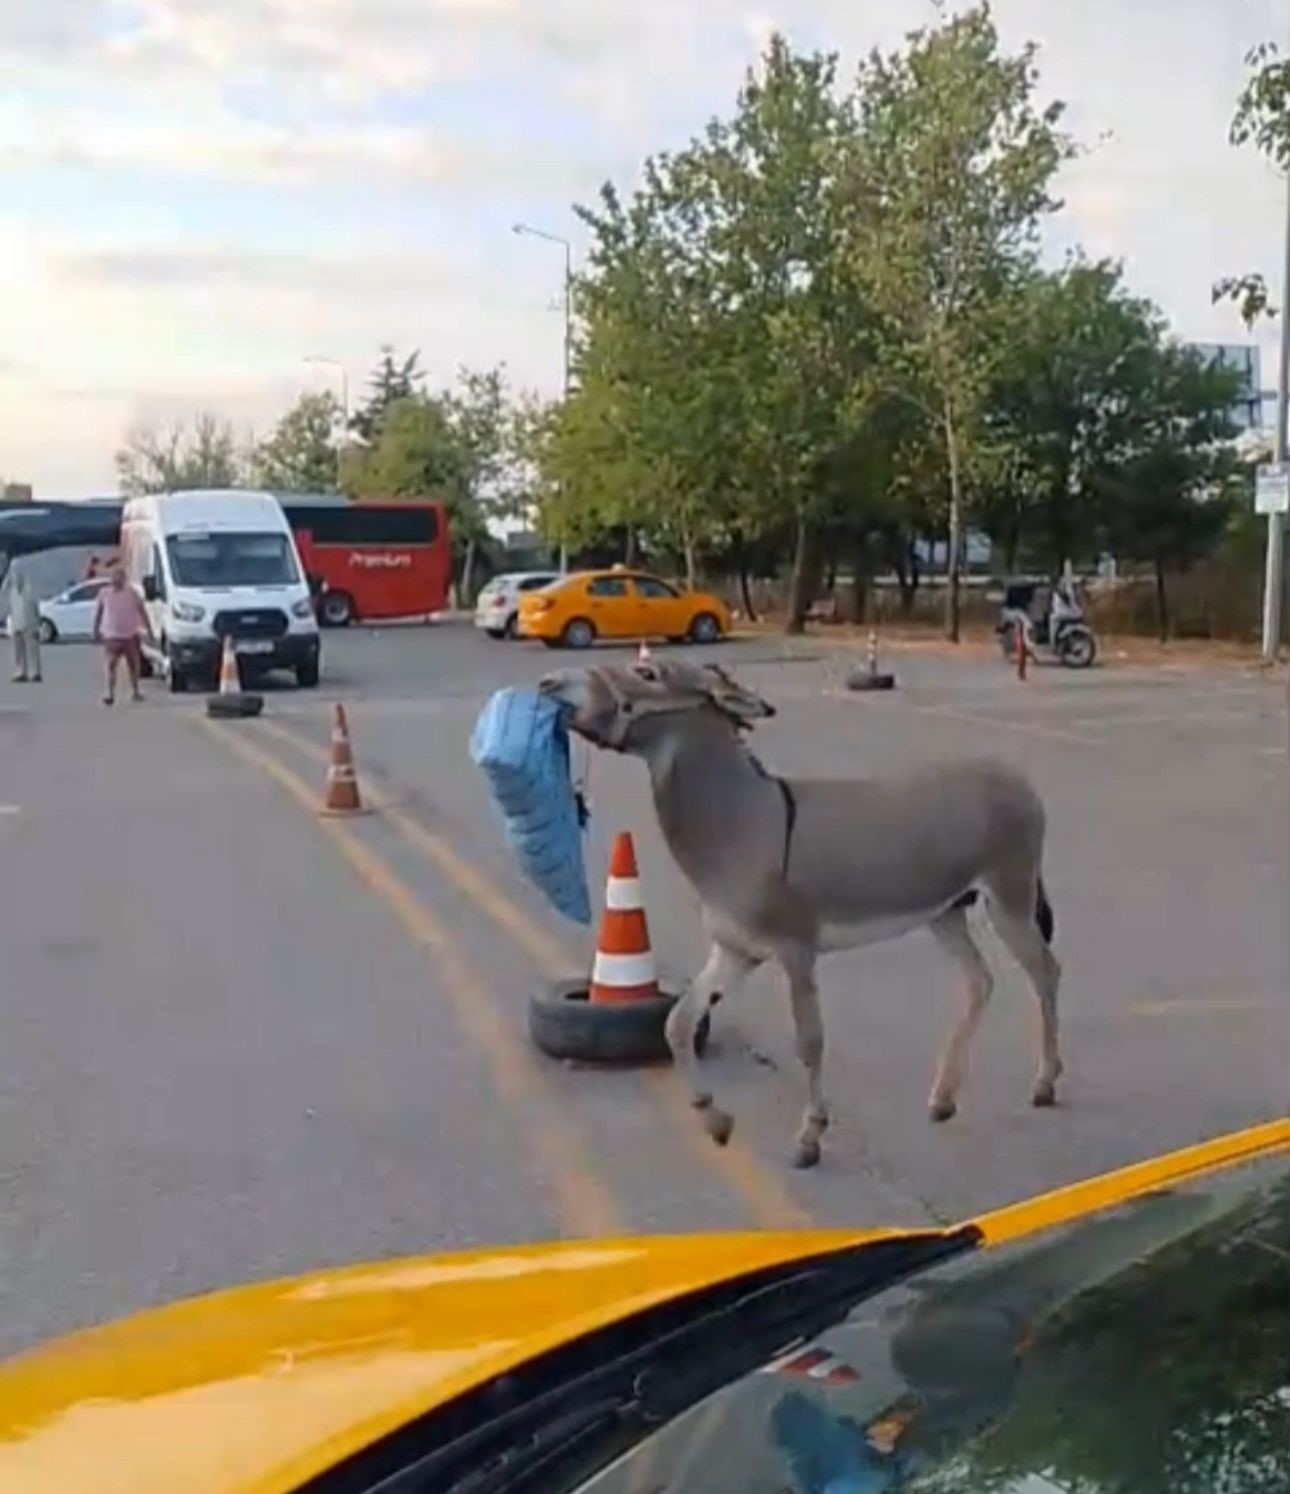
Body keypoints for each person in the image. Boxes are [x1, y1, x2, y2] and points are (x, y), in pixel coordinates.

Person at [92, 565, 153, 706]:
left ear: (124, 579)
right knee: (110, 665)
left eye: (120, 577)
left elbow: (142, 611)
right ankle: (109, 693)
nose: (117, 580)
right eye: (114, 577)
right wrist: (95, 630)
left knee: (134, 665)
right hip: (111, 636)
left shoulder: (132, 593)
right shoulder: (104, 593)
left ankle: (135, 691)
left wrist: (149, 630)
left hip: (130, 635)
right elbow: (98, 613)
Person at [5, 559, 43, 683]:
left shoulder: (30, 589)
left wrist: (38, 622)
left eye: (17, 572)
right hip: (16, 623)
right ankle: (20, 671)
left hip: (29, 623)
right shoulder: (10, 590)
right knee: (17, 651)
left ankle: (34, 672)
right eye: (13, 572)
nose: (15, 575)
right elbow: (7, 607)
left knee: (32, 649)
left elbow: (36, 606)